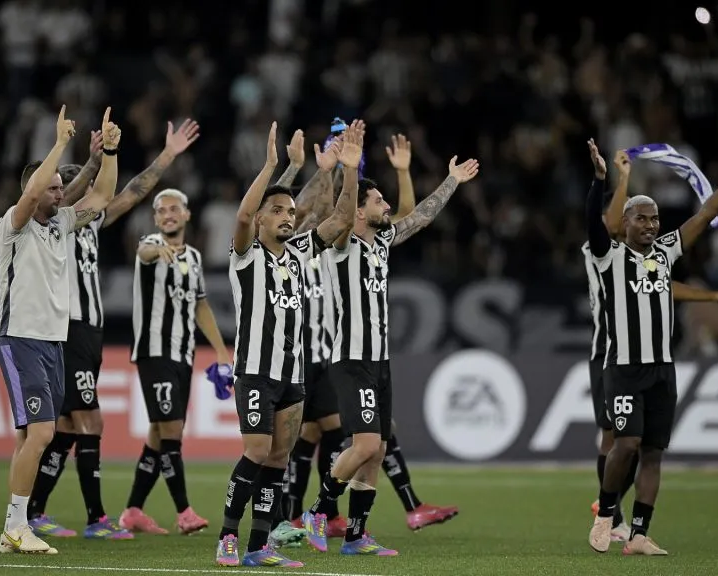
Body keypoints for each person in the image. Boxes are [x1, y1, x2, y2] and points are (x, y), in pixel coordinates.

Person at [586, 141, 718, 555]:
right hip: (625, 368)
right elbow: (593, 225)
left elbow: (705, 213)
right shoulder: (607, 256)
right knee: (625, 444)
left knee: (652, 453)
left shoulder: (666, 252)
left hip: (662, 369)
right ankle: (605, 514)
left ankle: (638, 534)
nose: (651, 225)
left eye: (655, 219)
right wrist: (600, 180)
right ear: (625, 223)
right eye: (642, 219)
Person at [26, 119, 202, 539]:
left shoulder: (88, 226)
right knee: (92, 422)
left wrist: (168, 156)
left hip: (89, 333)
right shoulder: (53, 226)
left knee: (68, 427)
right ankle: (95, 519)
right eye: (71, 190)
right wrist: (94, 158)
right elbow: (94, 192)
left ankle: (34, 511)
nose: (90, 195)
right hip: (69, 329)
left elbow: (134, 192)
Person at [302, 150, 480, 556]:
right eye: (378, 201)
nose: (387, 206)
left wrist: (451, 180)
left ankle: (356, 535)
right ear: (360, 212)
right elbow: (343, 214)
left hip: (379, 361)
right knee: (364, 446)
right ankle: (318, 510)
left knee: (378, 449)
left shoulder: (380, 242)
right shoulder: (342, 243)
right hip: (351, 359)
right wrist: (348, 169)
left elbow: (420, 216)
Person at [214, 119, 362, 568]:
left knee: (278, 459)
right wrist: (275, 167)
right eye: (278, 211)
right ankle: (227, 537)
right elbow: (241, 216)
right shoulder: (244, 257)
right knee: (255, 453)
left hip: (291, 374)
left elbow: (340, 219)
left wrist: (348, 171)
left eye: (290, 213)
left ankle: (260, 546)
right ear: (262, 218)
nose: (287, 217)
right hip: (256, 372)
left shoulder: (300, 254)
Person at [0, 106, 120, 555]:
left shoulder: (63, 225)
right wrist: (60, 144)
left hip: (52, 342)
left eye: (60, 185)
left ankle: (15, 527)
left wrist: (110, 153)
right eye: (52, 185)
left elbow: (103, 196)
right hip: (21, 337)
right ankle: (16, 525)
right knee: (44, 434)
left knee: (31, 436)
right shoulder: (14, 225)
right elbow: (30, 194)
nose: (59, 191)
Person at [120, 183, 233, 536]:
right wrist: (157, 251)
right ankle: (184, 511)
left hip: (183, 356)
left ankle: (133, 511)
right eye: (161, 211)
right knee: (170, 432)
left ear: (186, 214)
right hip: (155, 353)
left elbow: (200, 305)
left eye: (174, 209)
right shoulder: (152, 245)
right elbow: (142, 253)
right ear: (155, 219)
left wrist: (220, 351)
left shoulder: (194, 258)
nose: (168, 215)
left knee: (160, 433)